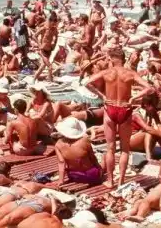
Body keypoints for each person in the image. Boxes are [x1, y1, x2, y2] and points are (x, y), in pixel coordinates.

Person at [85, 48, 154, 187]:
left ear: (112, 59)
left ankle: (110, 181)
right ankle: (121, 181)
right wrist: (133, 98)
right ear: (123, 59)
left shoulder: (106, 72)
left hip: (110, 108)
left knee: (110, 148)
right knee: (124, 149)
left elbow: (87, 83)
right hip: (125, 108)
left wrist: (102, 96)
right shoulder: (130, 73)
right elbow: (149, 88)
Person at [54, 117, 103, 187]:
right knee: (104, 159)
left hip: (74, 176)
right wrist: (99, 168)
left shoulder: (58, 144)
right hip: (91, 175)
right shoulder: (84, 141)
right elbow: (92, 158)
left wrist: (61, 180)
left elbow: (61, 163)